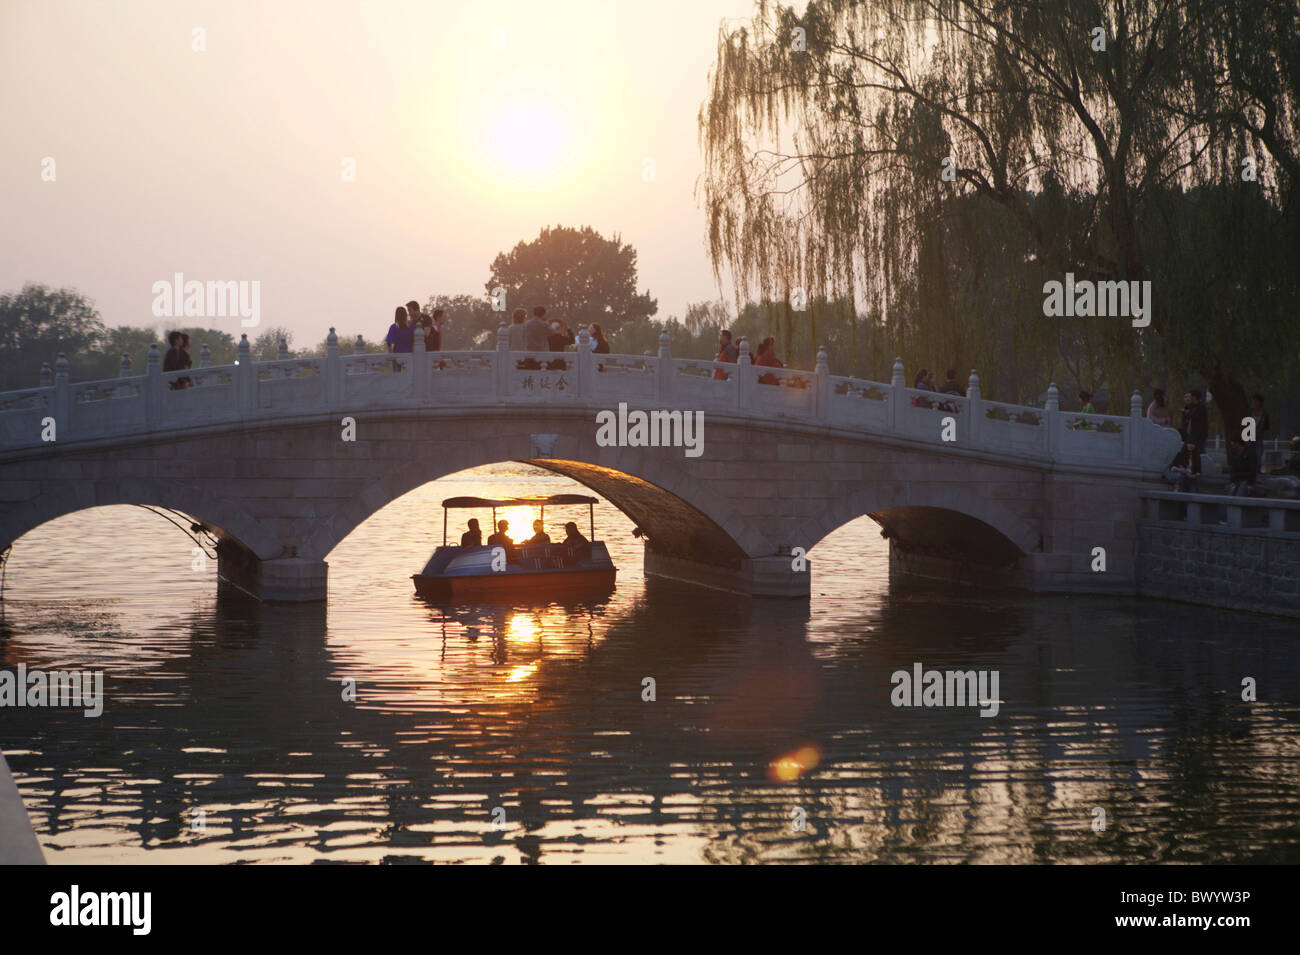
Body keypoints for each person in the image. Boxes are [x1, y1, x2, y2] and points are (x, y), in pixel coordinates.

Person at [1248, 393, 1270, 475]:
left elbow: (1266, 427)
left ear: (1260, 403)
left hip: (1259, 438)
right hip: (1249, 437)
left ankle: (1257, 472)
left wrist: (1262, 435)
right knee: (1250, 455)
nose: (1254, 403)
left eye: (1256, 401)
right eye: (1253, 401)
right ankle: (1250, 472)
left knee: (1258, 456)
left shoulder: (1264, 414)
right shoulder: (1249, 412)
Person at [1180, 390, 1208, 454]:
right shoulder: (1193, 406)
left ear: (1194, 397)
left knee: (1200, 450)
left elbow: (1194, 416)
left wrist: (1186, 412)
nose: (1189, 398)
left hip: (1199, 434)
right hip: (1192, 433)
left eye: (1190, 397)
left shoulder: (1201, 407)